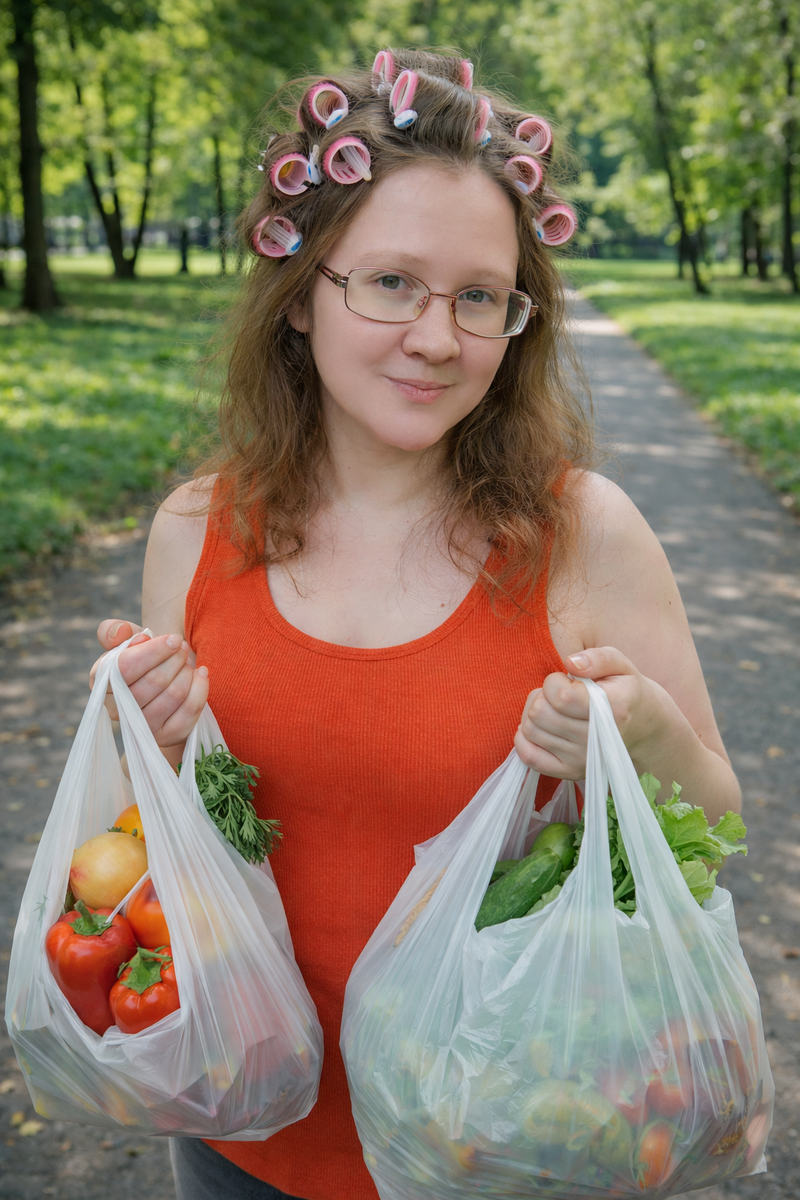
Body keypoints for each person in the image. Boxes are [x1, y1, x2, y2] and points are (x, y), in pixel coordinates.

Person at [92, 48, 740, 1200]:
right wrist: (161, 741)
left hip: (507, 1139)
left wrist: (635, 739)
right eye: (390, 283)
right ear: (299, 294)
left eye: (478, 296)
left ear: (515, 316)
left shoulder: (582, 531)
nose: (438, 338)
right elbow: (166, 845)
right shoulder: (195, 528)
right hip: (248, 1127)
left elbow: (714, 818)